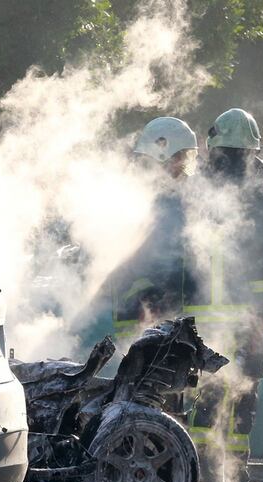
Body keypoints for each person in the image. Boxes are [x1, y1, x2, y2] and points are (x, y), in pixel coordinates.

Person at [186, 108, 263, 482]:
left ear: (213, 146)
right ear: (249, 151)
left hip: (199, 318)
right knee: (242, 398)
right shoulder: (257, 193)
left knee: (202, 399)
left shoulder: (193, 189)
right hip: (242, 317)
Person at [109, 117, 199, 338]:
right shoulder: (149, 200)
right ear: (164, 155)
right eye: (180, 156)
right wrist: (153, 301)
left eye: (184, 156)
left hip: (160, 318)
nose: (183, 163)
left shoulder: (178, 197)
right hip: (144, 317)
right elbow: (137, 263)